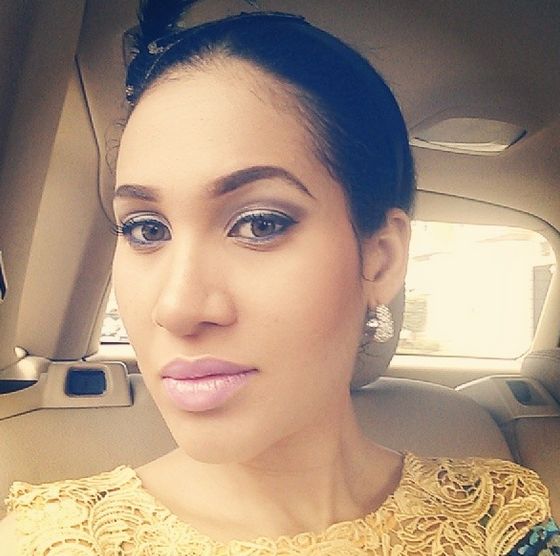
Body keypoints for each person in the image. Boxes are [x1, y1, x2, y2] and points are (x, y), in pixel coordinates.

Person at [1, 1, 558, 553]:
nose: (176, 307)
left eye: (259, 223)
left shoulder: (503, 518)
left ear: (381, 259)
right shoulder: (44, 541)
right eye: (146, 229)